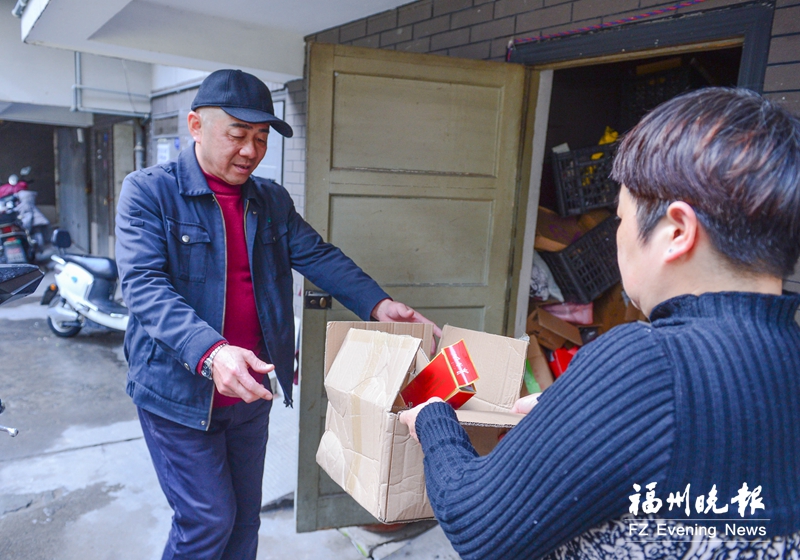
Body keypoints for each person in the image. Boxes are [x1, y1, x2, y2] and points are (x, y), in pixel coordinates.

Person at [400, 87, 800, 559]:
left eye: (622, 219)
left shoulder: (648, 363)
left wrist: (433, 421)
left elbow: (476, 526)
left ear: (676, 231)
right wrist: (574, 418)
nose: (618, 238)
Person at [115, 69, 439, 560]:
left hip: (252, 392)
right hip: (178, 395)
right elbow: (144, 285)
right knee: (207, 521)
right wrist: (211, 352)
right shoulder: (148, 192)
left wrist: (379, 303)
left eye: (261, 138)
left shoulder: (270, 200)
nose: (250, 151)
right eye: (238, 135)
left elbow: (319, 256)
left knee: (244, 521)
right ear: (196, 126)